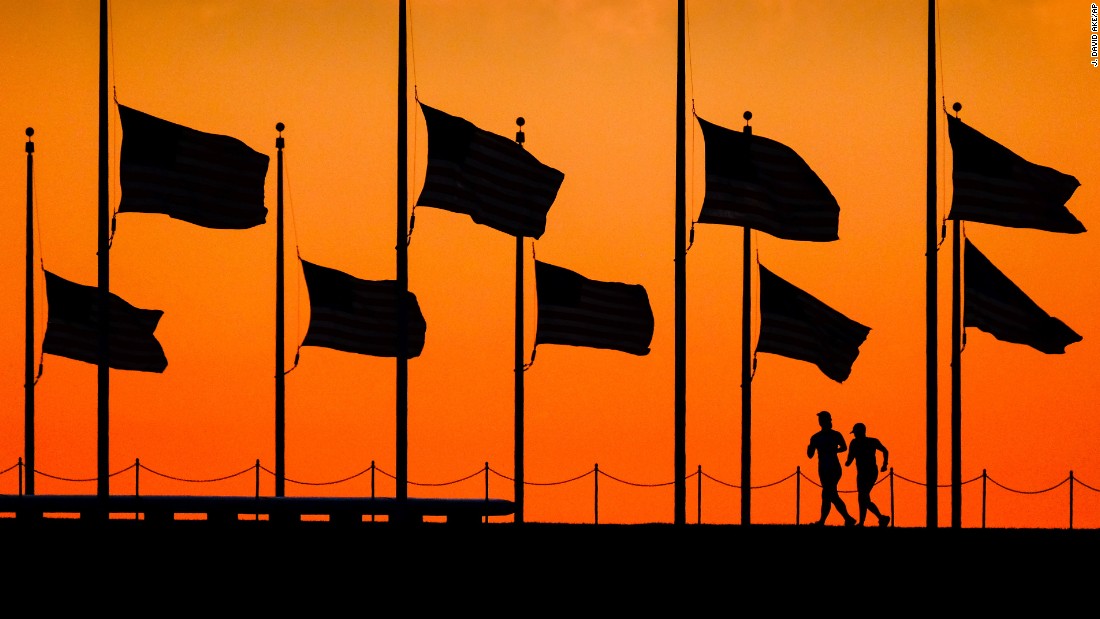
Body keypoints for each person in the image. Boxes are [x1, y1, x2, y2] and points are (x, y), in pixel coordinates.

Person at [807, 410, 856, 526]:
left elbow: (844, 447)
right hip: (823, 468)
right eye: (820, 419)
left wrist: (834, 450)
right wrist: (809, 447)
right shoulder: (815, 437)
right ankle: (848, 519)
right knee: (830, 494)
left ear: (828, 420)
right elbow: (810, 455)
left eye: (823, 419)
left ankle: (824, 521)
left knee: (827, 493)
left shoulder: (835, 434)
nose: (821, 421)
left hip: (834, 467)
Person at [845, 422, 890, 527]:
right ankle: (878, 519)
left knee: (863, 497)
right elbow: (850, 459)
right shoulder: (862, 442)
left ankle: (875, 519)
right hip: (862, 473)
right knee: (863, 498)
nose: (855, 434)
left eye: (855, 432)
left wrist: (885, 464)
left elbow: (885, 451)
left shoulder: (865, 442)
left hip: (869, 473)